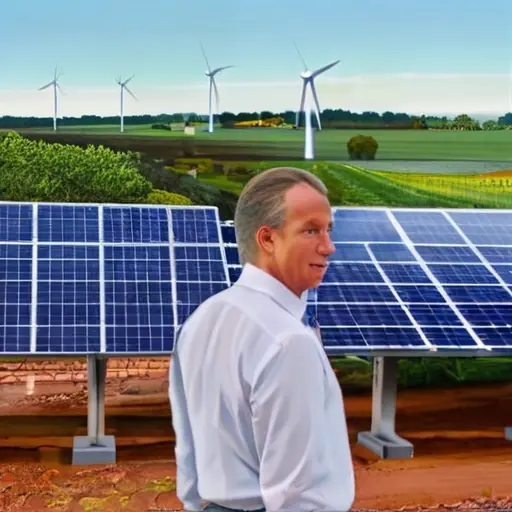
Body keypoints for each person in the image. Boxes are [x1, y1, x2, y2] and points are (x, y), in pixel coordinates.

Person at [169, 166, 355, 512]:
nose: (328, 247)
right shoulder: (288, 341)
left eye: (328, 230)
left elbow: (188, 452)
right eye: (310, 231)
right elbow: (297, 495)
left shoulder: (200, 321)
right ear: (267, 239)